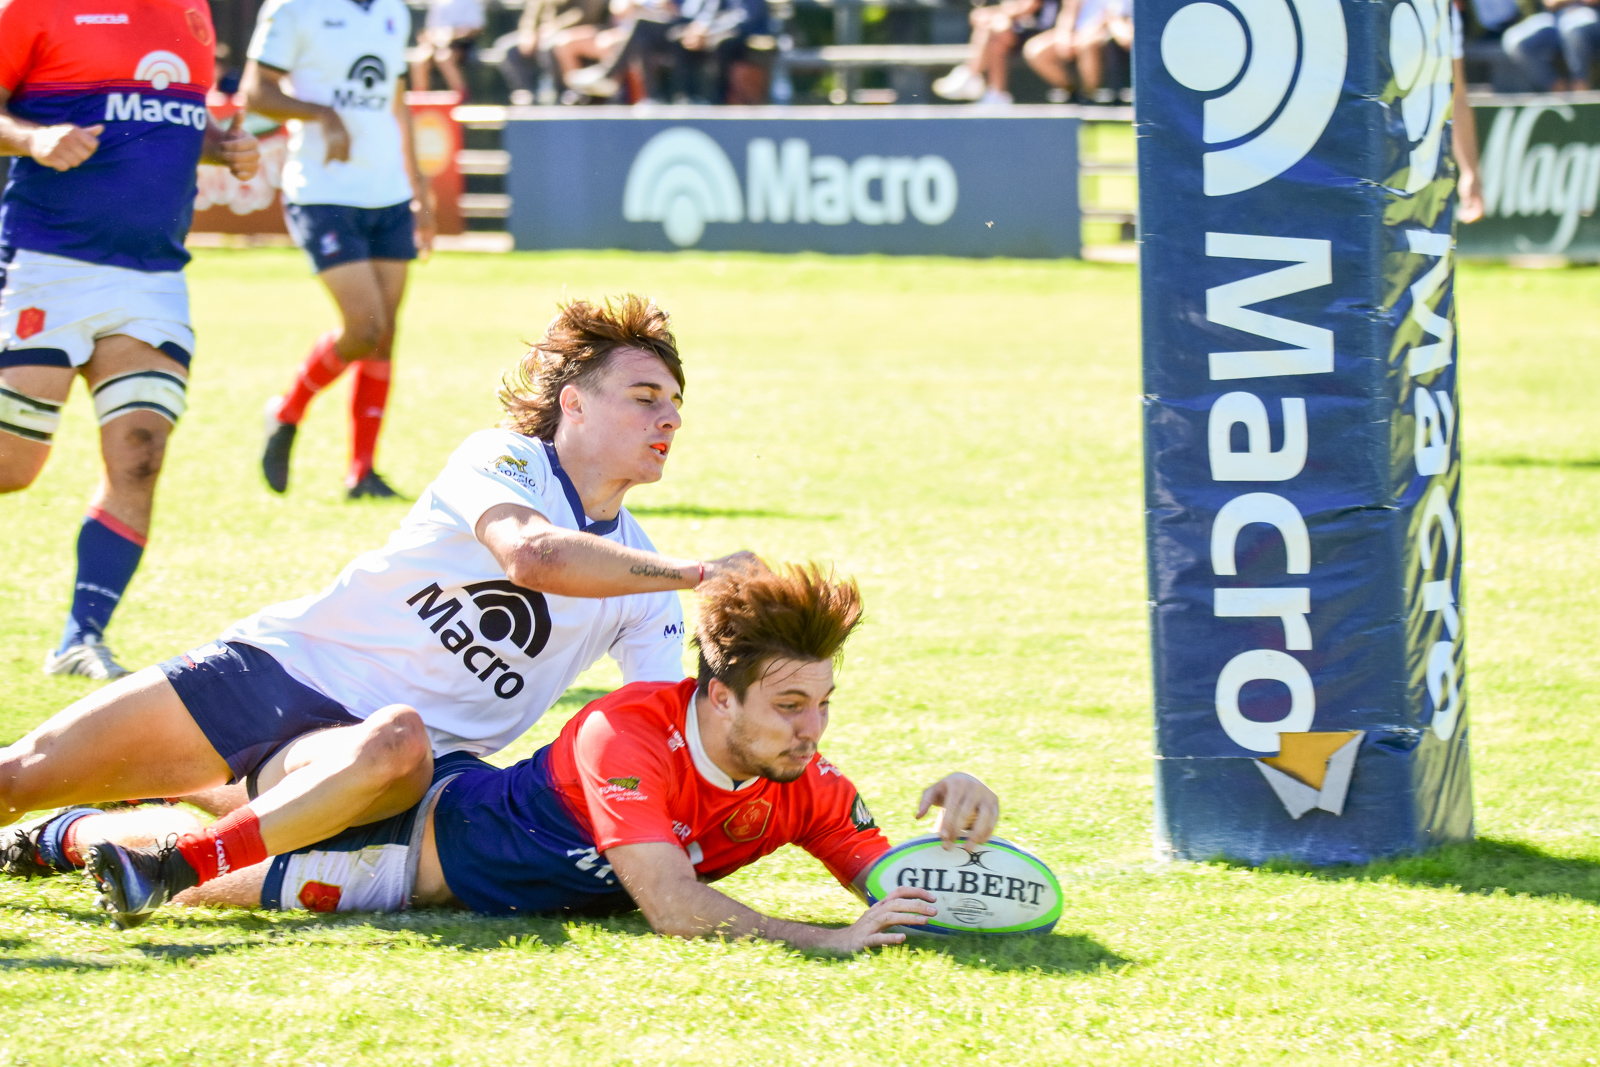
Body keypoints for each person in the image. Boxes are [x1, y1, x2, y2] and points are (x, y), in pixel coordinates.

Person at [0, 296, 756, 930]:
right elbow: (531, 556)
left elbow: (651, 727)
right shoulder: (502, 458)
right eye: (646, 397)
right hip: (278, 672)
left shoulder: (647, 583)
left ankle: (173, 859)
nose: (671, 420)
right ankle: (158, 794)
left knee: (399, 737)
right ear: (575, 403)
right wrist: (701, 572)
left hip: (389, 767)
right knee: (20, 774)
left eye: (675, 404)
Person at [75, 564, 1002, 953]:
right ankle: (66, 828)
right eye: (791, 706)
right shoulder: (627, 733)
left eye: (824, 704)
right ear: (721, 694)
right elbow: (676, 909)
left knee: (223, 801)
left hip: (423, 815)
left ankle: (173, 789)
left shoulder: (806, 786)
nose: (814, 729)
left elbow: (898, 887)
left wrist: (964, 831)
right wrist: (824, 939)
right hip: (404, 843)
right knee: (203, 881)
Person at [0, 0, 260, 680]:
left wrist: (219, 144)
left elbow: (163, 118)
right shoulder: (32, 9)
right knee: (11, 466)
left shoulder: (192, 12)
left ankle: (80, 637)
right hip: (46, 264)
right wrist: (32, 140)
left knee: (141, 452)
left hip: (152, 277)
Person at [241, 0, 437, 500]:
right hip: (322, 192)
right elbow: (255, 93)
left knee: (385, 335)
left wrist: (419, 187)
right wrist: (322, 113)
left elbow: (397, 104)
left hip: (388, 193)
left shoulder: (393, 11)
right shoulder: (292, 9)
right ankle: (287, 412)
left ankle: (362, 472)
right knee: (364, 326)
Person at [932, 0, 1058, 106]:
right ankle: (995, 94)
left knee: (996, 27)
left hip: (1043, 30)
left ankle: (972, 75)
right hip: (1020, 28)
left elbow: (1030, 6)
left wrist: (995, 14)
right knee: (995, 36)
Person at [1502, 0, 1600, 90]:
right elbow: (1550, 3)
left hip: (1590, 14)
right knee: (1513, 39)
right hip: (1555, 18)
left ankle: (1581, 86)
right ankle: (1557, 87)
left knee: (1571, 28)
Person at [411, 0, 487, 100]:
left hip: (461, 44)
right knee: (419, 59)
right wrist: (432, 38)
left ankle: (462, 97)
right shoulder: (438, 2)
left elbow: (476, 28)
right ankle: (420, 102)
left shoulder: (470, 2)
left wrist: (452, 35)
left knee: (443, 58)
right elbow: (430, 28)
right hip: (437, 44)